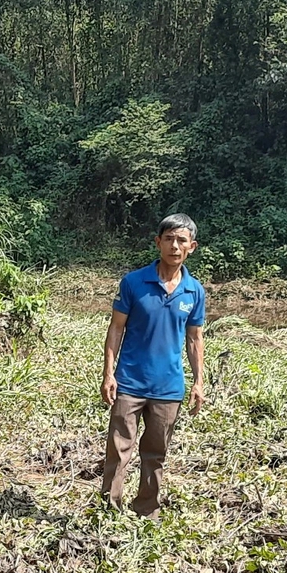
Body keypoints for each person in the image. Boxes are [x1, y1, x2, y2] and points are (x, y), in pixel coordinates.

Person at [100, 214, 206, 516]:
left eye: (181, 240)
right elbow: (116, 329)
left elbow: (195, 339)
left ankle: (147, 509)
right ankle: (108, 509)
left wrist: (198, 382)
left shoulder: (194, 291)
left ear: (192, 247)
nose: (175, 246)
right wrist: (109, 373)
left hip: (168, 388)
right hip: (130, 382)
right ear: (158, 242)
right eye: (169, 239)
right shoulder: (134, 283)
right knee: (118, 450)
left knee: (155, 453)